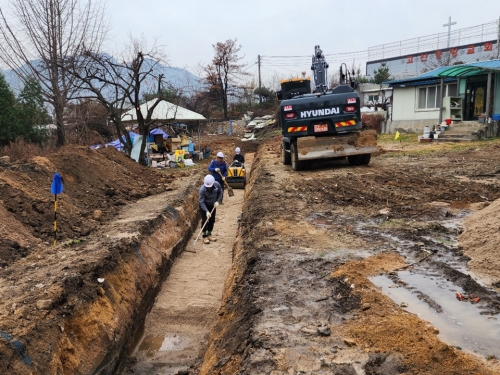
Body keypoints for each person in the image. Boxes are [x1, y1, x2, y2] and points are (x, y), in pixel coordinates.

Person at [199, 175, 222, 244]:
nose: (208, 188)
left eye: (210, 186)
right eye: (207, 187)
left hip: (212, 205)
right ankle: (204, 236)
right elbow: (201, 201)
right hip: (204, 206)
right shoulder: (202, 189)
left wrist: (218, 201)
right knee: (205, 221)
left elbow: (220, 193)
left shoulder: (217, 185)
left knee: (212, 220)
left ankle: (209, 234)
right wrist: (206, 211)